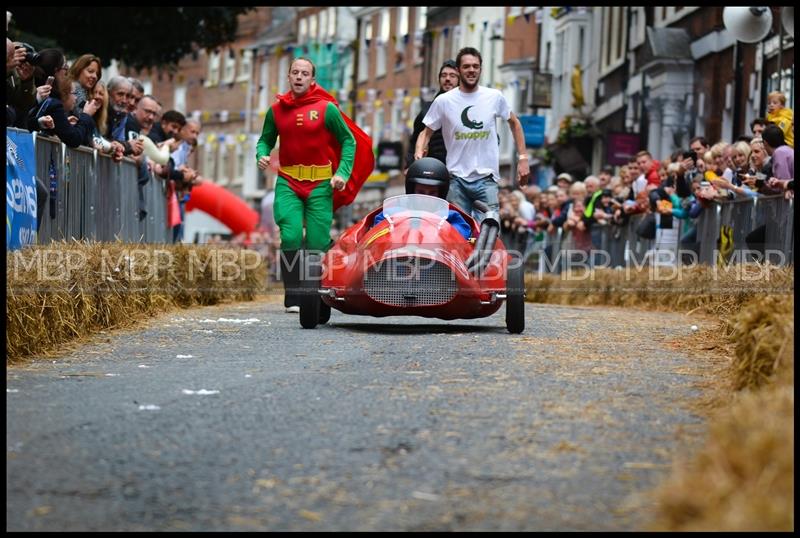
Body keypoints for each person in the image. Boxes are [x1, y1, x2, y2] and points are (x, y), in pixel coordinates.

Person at [256, 57, 372, 313]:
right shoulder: (276, 110)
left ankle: (317, 293)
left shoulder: (326, 109)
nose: (299, 77)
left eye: (304, 73)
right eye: (295, 72)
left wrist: (341, 173)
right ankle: (293, 295)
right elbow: (265, 140)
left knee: (317, 242)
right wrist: (261, 155)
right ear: (288, 77)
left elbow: (348, 141)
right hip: (288, 182)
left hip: (320, 184)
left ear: (312, 80)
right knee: (291, 236)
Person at [414, 46, 530, 220]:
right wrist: (418, 153)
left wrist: (523, 158)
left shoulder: (494, 96)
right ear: (459, 70)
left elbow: (514, 123)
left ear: (480, 70)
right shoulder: (444, 101)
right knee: (459, 236)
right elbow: (425, 132)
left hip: (486, 179)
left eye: (475, 66)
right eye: (467, 66)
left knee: (490, 232)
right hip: (456, 180)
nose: (471, 70)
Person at [373, 157, 471, 241]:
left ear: (441, 194)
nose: (426, 198)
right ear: (412, 191)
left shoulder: (450, 217)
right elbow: (376, 233)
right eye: (421, 192)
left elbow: (462, 233)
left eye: (432, 193)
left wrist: (441, 229)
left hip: (437, 257)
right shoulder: (391, 215)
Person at [404, 59, 460, 172]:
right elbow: (415, 139)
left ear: (459, 80)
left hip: (459, 169)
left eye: (452, 76)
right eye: (444, 75)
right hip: (431, 168)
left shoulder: (468, 108)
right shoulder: (428, 109)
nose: (447, 79)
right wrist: (409, 165)